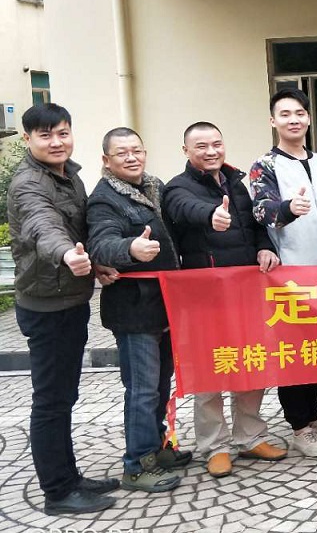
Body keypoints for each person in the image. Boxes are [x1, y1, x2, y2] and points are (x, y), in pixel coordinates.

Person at [8, 103, 119, 515]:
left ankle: (70, 477)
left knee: (65, 395)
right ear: (27, 139)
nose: (56, 142)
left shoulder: (68, 175)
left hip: (69, 300)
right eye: (45, 135)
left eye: (62, 133)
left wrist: (94, 262)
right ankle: (57, 491)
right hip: (47, 307)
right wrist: (67, 255)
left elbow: (76, 228)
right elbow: (44, 226)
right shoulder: (28, 184)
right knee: (52, 400)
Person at [163, 121, 287, 478]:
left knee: (251, 362)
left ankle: (250, 437)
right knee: (211, 370)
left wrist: (264, 248)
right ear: (186, 151)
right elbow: (184, 208)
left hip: (246, 292)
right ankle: (214, 446)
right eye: (201, 146)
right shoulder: (177, 187)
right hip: (205, 298)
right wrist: (210, 214)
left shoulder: (236, 182)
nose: (211, 151)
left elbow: (254, 225)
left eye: (216, 143)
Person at [86, 128, 190, 493]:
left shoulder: (154, 187)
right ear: (106, 160)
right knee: (142, 389)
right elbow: (101, 243)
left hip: (163, 305)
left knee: (160, 384)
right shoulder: (104, 199)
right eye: (122, 153)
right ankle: (137, 465)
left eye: (136, 150)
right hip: (134, 310)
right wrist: (129, 248)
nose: (131, 157)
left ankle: (158, 447)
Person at [249, 89, 317, 458]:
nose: (294, 120)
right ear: (273, 121)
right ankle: (299, 426)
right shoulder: (264, 166)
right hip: (288, 275)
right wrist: (289, 208)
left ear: (308, 118)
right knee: (294, 351)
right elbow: (260, 210)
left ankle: (313, 416)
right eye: (285, 114)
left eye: (300, 113)